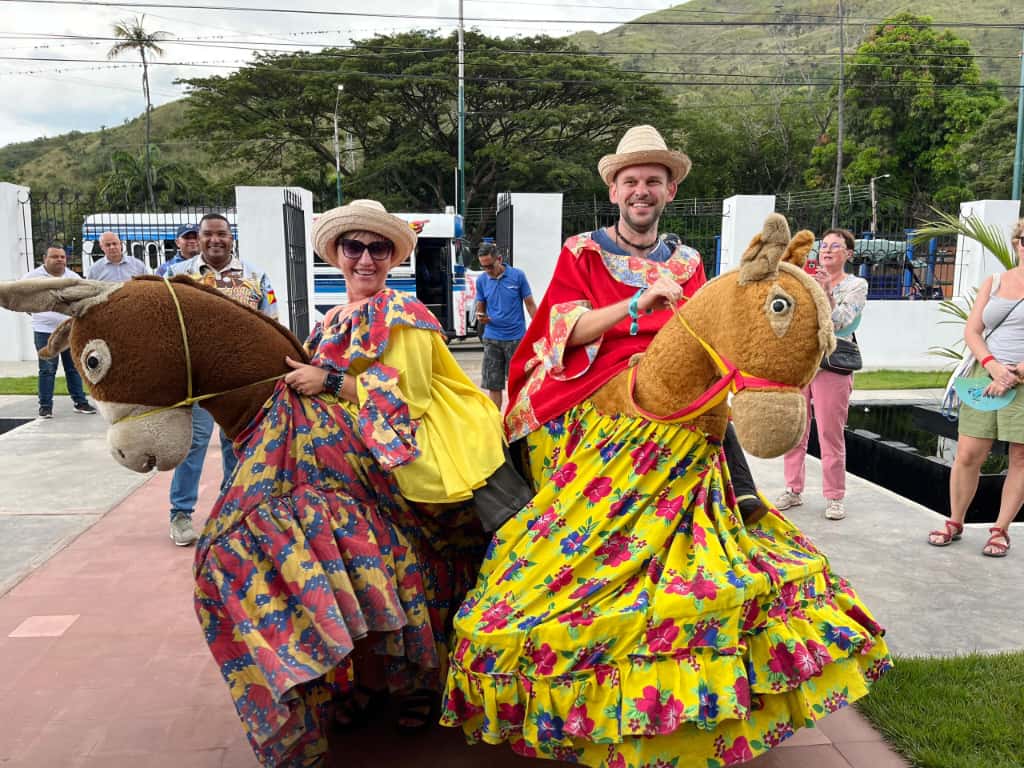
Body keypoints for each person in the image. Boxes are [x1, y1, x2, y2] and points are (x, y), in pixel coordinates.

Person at [440, 126, 891, 766]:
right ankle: (524, 514)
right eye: (631, 180)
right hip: (596, 383)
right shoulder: (581, 253)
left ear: (671, 189)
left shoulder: (689, 261)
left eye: (654, 179)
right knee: (531, 452)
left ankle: (739, 493)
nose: (642, 189)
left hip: (681, 396)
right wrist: (632, 306)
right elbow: (559, 333)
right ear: (614, 190)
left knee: (718, 414)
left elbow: (716, 329)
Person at [279, 199, 511, 742]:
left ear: (392, 258)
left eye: (377, 248)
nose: (365, 257)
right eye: (353, 246)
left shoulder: (404, 315)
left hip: (415, 448)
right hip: (354, 453)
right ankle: (375, 675)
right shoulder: (331, 319)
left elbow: (409, 400)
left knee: (407, 562)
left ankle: (421, 683)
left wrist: (329, 384)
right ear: (337, 253)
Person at [162, 213, 278, 546]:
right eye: (208, 234)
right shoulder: (176, 276)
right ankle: (181, 514)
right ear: (198, 239)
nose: (216, 240)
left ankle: (233, 510)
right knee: (192, 446)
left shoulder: (256, 277)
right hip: (195, 383)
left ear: (232, 238)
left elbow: (272, 324)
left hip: (240, 384)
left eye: (222, 234)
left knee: (237, 447)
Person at [928, 218, 1024, 557]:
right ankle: (955, 520)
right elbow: (973, 331)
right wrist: (995, 367)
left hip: (1022, 380)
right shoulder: (995, 281)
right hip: (987, 377)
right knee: (969, 453)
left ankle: (1000, 529)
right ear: (1016, 243)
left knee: (1020, 457)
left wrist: (1017, 372)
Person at [776, 228, 868, 521]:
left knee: (830, 432)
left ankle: (834, 496)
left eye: (835, 247)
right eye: (824, 246)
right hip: (803, 361)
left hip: (833, 363)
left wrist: (826, 291)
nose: (827, 251)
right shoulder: (804, 279)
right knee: (796, 429)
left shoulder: (856, 286)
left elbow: (840, 321)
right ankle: (793, 489)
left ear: (848, 254)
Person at [20, 244, 97, 418]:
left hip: (69, 330)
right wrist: (39, 314)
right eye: (55, 257)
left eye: (62, 257)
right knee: (47, 369)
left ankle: (80, 402)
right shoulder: (32, 278)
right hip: (44, 331)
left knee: (74, 368)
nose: (60, 260)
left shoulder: (72, 277)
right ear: (45, 259)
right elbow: (23, 299)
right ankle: (45, 406)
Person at [475, 242, 537, 408]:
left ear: (499, 259)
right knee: (493, 385)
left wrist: (539, 329)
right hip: (491, 339)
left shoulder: (518, 276)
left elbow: (530, 304)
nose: (487, 271)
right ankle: (496, 426)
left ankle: (517, 425)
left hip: (515, 340)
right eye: (483, 267)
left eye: (490, 266)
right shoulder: (482, 280)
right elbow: (480, 303)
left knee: (518, 385)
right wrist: (480, 316)